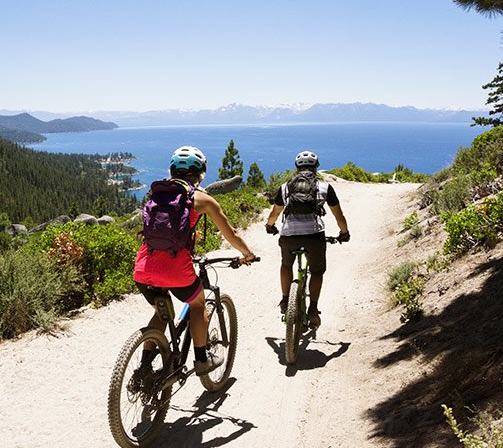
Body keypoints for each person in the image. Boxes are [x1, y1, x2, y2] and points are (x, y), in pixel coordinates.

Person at [134, 145, 257, 375]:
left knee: (162, 312)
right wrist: (247, 254)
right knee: (198, 305)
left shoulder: (156, 194)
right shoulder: (202, 200)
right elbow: (231, 234)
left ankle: (144, 367)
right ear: (200, 172)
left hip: (144, 266)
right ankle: (202, 360)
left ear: (172, 170)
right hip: (176, 269)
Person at [264, 150, 349, 330]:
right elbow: (338, 215)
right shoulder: (325, 187)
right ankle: (313, 308)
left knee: (286, 266)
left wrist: (270, 226)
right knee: (317, 271)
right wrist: (344, 232)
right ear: (316, 168)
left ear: (297, 168)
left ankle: (286, 301)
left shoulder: (285, 187)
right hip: (314, 236)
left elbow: (275, 213)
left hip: (289, 236)